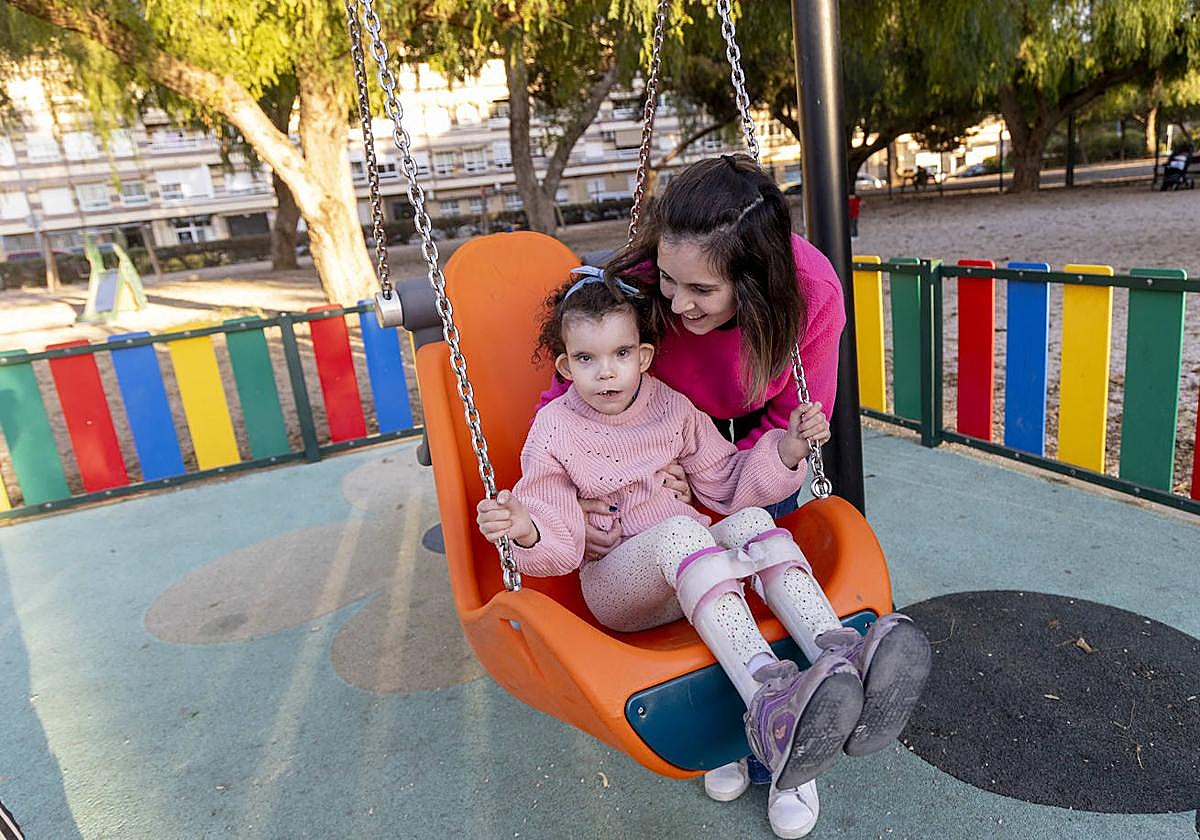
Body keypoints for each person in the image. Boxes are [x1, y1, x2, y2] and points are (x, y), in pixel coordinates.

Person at [480, 271, 932, 839]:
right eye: (588, 359)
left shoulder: (672, 409)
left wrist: (789, 447)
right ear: (566, 368)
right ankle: (770, 697)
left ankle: (840, 652)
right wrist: (523, 528)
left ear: (644, 356)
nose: (607, 372)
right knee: (682, 535)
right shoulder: (554, 430)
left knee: (750, 522)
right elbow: (563, 541)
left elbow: (724, 481)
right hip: (623, 588)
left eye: (621, 353)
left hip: (695, 574)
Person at [537, 153, 854, 822]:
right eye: (669, 281)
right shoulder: (642, 292)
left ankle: (836, 675)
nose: (677, 306)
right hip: (641, 538)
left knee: (754, 544)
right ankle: (752, 722)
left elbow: (763, 445)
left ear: (755, 283)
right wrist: (576, 501)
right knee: (701, 564)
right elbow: (569, 408)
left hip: (726, 459)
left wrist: (765, 458)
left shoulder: (811, 297)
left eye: (700, 292)